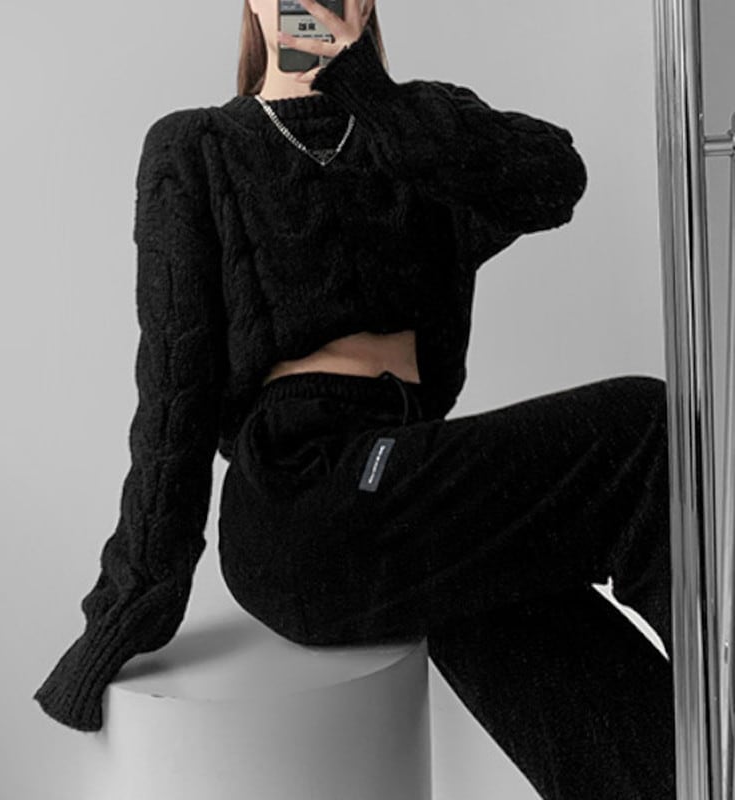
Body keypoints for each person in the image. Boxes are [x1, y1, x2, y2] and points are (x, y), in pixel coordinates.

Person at [33, 0, 675, 797]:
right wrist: (125, 610)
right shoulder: (197, 146)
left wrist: (368, 91)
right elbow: (171, 396)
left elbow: (553, 181)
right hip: (299, 501)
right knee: (646, 428)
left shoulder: (415, 126)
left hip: (403, 483)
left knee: (533, 621)